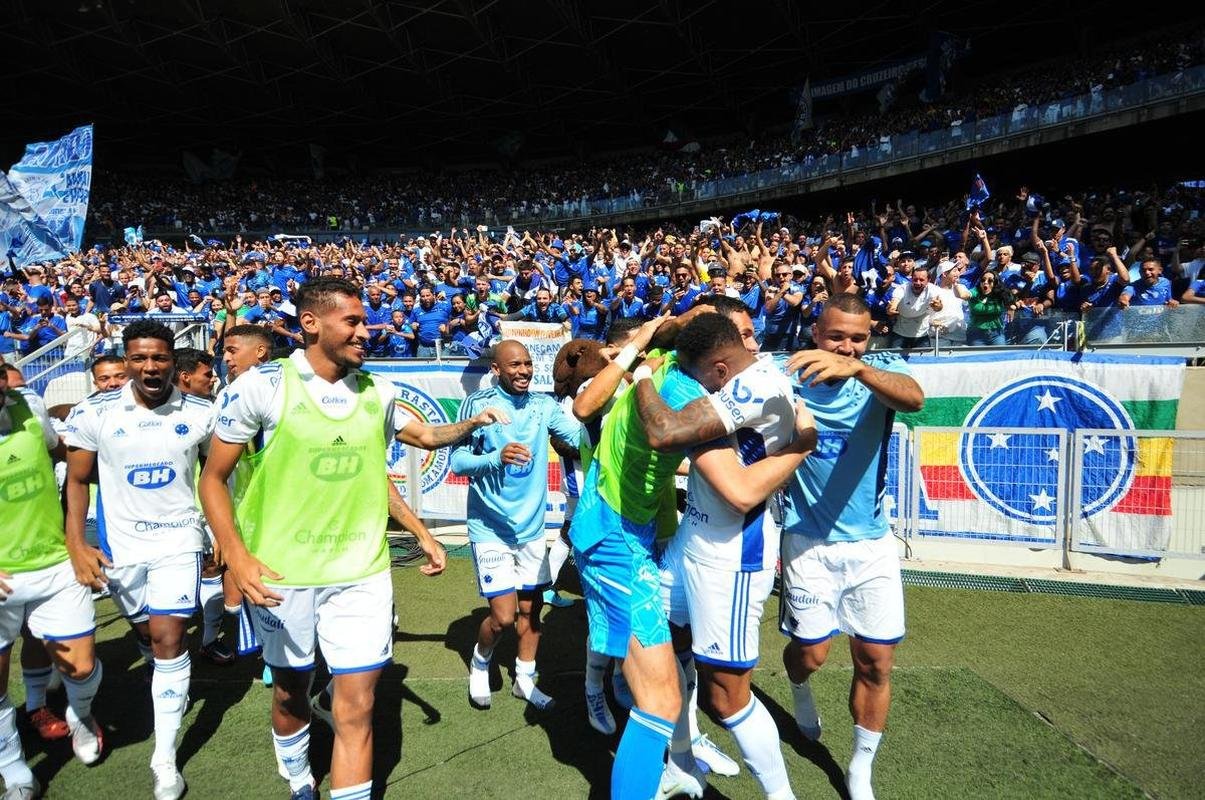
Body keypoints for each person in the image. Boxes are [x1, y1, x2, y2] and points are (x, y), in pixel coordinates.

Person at [199, 277, 446, 800]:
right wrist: (237, 558)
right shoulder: (259, 387)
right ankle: (298, 778)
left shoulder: (379, 392)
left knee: (356, 706)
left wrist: (418, 530)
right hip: (283, 575)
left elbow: (372, 476)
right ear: (310, 323)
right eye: (352, 322)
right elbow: (213, 479)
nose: (366, 331)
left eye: (365, 320)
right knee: (291, 693)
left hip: (362, 571)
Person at [634, 312, 817, 800]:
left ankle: (781, 796)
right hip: (694, 543)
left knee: (727, 697)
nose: (694, 388)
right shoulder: (756, 374)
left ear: (718, 368)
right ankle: (682, 760)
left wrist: (641, 376)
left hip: (733, 557)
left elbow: (663, 431)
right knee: (657, 638)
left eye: (697, 378)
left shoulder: (750, 385)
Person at [777, 294, 925, 800]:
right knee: (812, 655)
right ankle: (798, 687)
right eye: (836, 336)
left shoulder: (882, 370)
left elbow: (914, 398)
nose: (846, 346)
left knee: (876, 661)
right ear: (815, 333)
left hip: (872, 546)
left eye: (857, 338)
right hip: (806, 542)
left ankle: (861, 768)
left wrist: (857, 369)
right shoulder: (786, 373)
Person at [64, 320, 216, 800]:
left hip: (179, 540)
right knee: (146, 634)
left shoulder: (202, 412)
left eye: (159, 358)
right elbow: (77, 482)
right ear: (127, 361)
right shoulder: (96, 412)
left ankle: (164, 759)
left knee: (170, 636)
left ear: (174, 361)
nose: (150, 367)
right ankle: (117, 692)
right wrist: (76, 542)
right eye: (139, 358)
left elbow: (217, 479)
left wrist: (221, 539)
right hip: (121, 546)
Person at [451, 340, 579, 711]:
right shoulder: (478, 406)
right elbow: (457, 461)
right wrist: (495, 457)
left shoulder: (543, 405)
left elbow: (577, 435)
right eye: (514, 365)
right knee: (503, 617)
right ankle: (481, 660)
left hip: (532, 530)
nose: (523, 371)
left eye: (527, 364)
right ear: (496, 369)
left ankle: (525, 679)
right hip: (489, 528)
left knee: (531, 612)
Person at [0, 362, 104, 800]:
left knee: (80, 666)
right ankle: (15, 771)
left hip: (55, 565)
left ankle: (80, 717)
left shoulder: (30, 405)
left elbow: (66, 460)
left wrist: (77, 537)